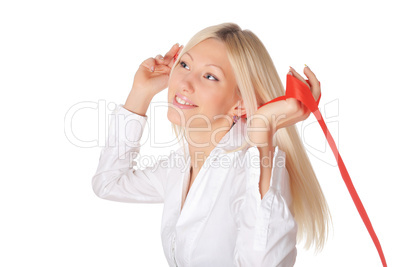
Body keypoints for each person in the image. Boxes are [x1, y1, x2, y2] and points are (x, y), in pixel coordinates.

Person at [92, 22, 331, 267]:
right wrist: (141, 92)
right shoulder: (181, 165)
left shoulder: (247, 172)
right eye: (184, 65)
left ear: (239, 104)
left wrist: (263, 129)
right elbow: (109, 183)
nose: (184, 83)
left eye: (209, 76)